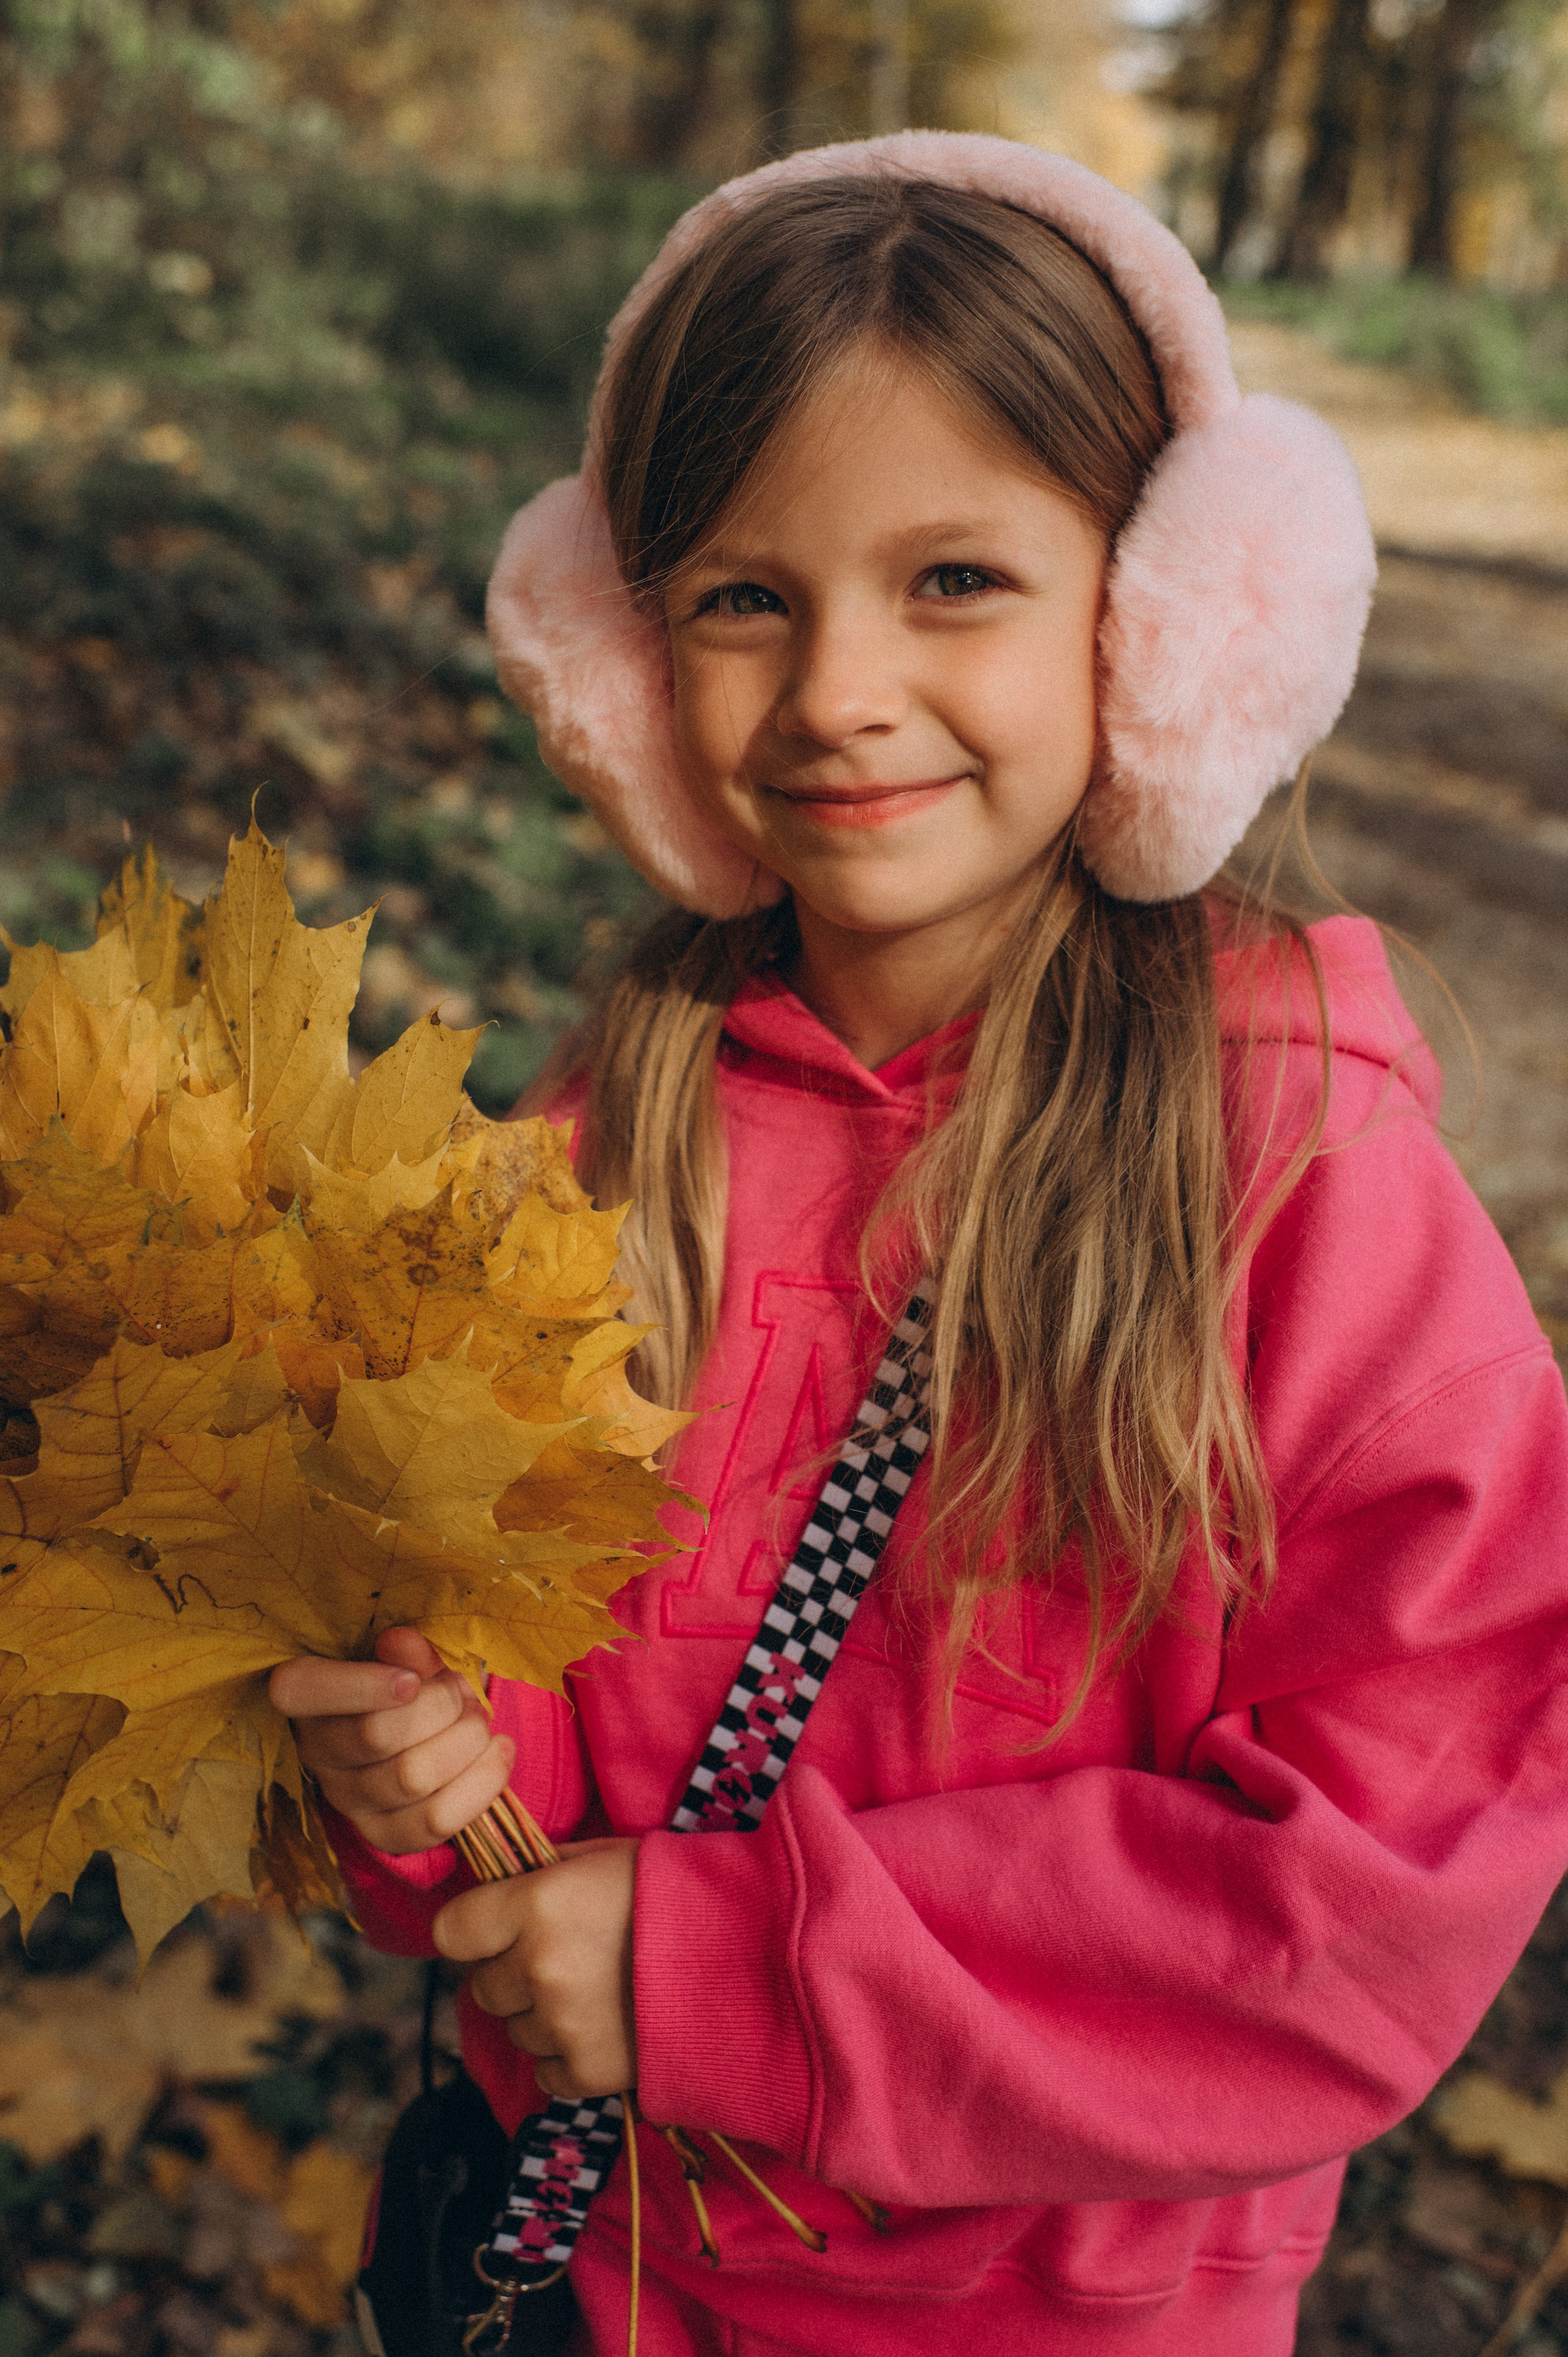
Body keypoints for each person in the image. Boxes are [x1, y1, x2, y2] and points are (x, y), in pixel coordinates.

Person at [270, 135, 1568, 2356]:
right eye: (741, 599)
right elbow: (511, 1717)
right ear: (620, 657)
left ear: (1165, 623)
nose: (840, 690)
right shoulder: (586, 1155)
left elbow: (1371, 1891)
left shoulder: (1309, 1199)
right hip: (608, 2274)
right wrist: (428, 1770)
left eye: (954, 579)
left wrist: (724, 1972)